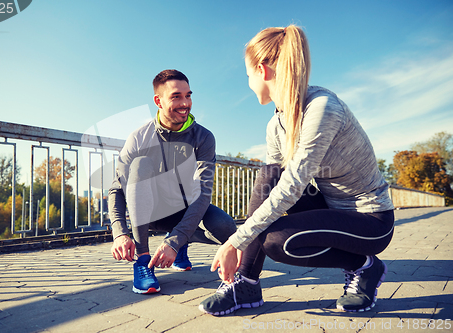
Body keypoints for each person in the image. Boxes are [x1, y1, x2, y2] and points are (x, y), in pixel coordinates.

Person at [199, 25, 395, 315]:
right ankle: (246, 283)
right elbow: (275, 186)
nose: (249, 83)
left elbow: (292, 187)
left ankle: (365, 267)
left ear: (263, 70)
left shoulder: (322, 108)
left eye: (247, 75)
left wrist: (234, 241)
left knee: (277, 242)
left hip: (370, 220)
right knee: (267, 175)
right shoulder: (275, 125)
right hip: (330, 206)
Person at [109, 69, 236, 294]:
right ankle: (143, 261)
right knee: (140, 165)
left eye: (188, 95)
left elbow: (204, 193)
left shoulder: (203, 137)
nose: (185, 103)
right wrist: (119, 233)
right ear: (158, 101)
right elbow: (117, 189)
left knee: (226, 227)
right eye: (176, 96)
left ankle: (180, 244)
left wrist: (174, 242)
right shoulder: (139, 138)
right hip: (150, 211)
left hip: (186, 208)